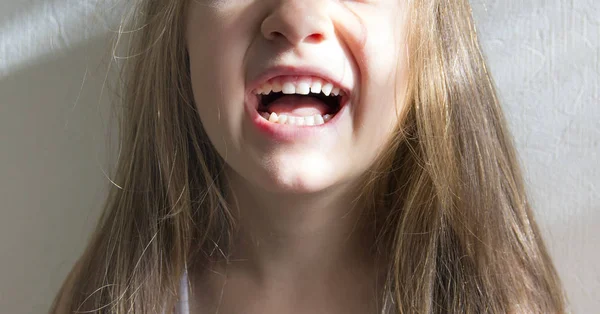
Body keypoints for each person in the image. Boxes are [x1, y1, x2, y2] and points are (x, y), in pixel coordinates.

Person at [50, 0, 566, 313]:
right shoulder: (109, 298)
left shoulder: (498, 304)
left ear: (429, 40)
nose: (296, 18)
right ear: (179, 36)